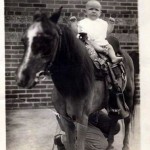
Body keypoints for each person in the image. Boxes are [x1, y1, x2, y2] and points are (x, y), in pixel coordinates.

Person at [70, 0, 123, 68]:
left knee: (110, 47)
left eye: (96, 10)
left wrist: (111, 24)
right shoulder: (83, 22)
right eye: (91, 9)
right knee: (91, 42)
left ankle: (113, 58)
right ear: (85, 12)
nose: (94, 11)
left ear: (100, 13)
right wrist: (73, 23)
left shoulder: (102, 23)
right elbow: (77, 30)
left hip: (101, 43)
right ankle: (100, 50)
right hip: (88, 43)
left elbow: (107, 31)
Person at [54, 110, 120, 150]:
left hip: (90, 116)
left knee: (115, 127)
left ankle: (83, 138)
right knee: (101, 146)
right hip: (76, 119)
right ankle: (62, 139)